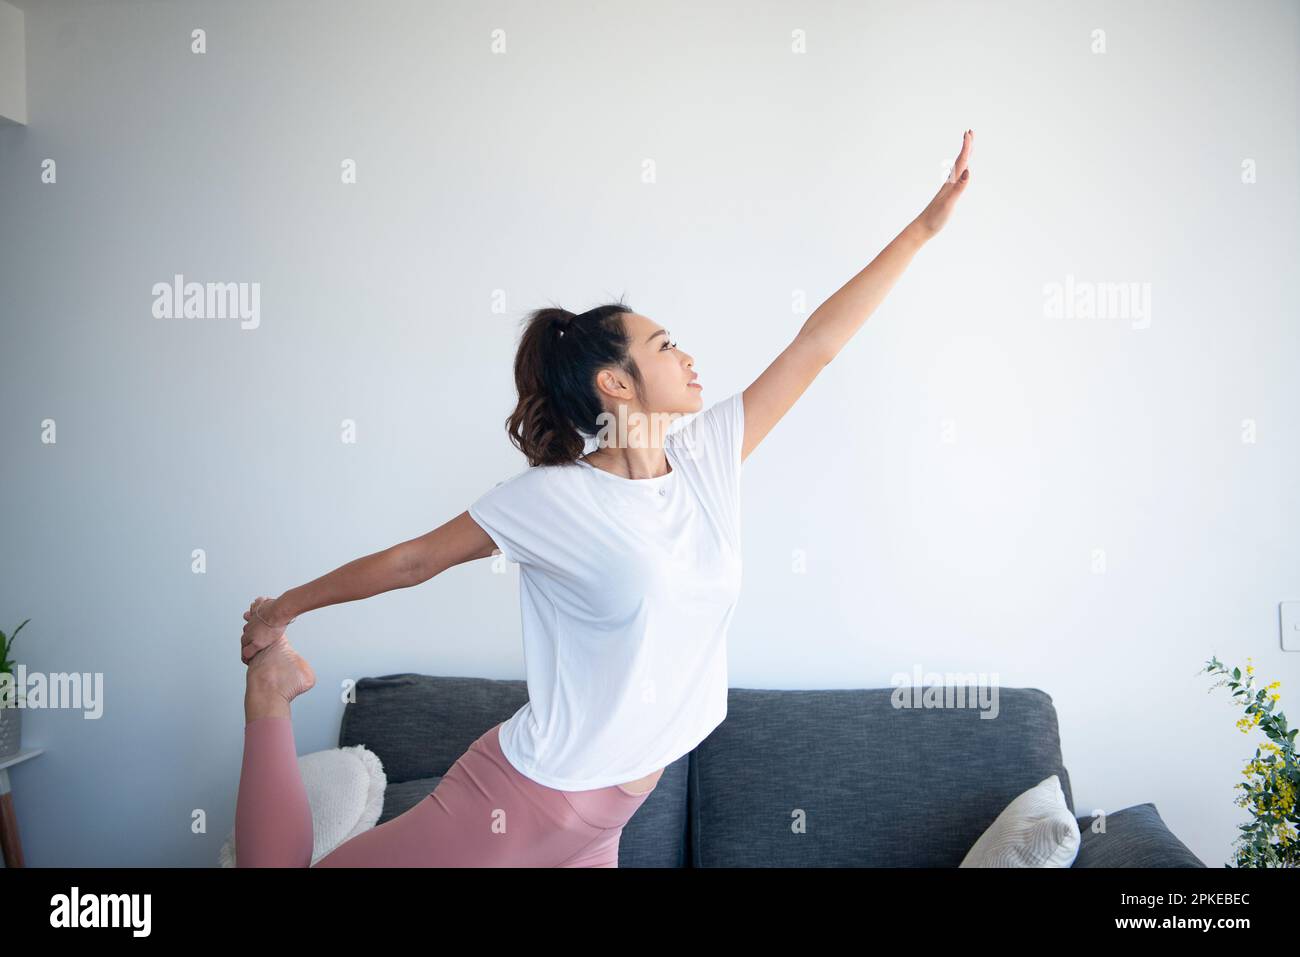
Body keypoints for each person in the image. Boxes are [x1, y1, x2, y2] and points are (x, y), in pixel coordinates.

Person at [233, 131, 974, 867]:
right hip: (523, 801)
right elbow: (414, 560)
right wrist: (284, 607)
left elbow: (815, 344)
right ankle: (270, 689)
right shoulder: (552, 499)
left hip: (606, 812)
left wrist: (924, 228)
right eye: (663, 346)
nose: (686, 356)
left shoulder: (704, 459)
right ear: (615, 384)